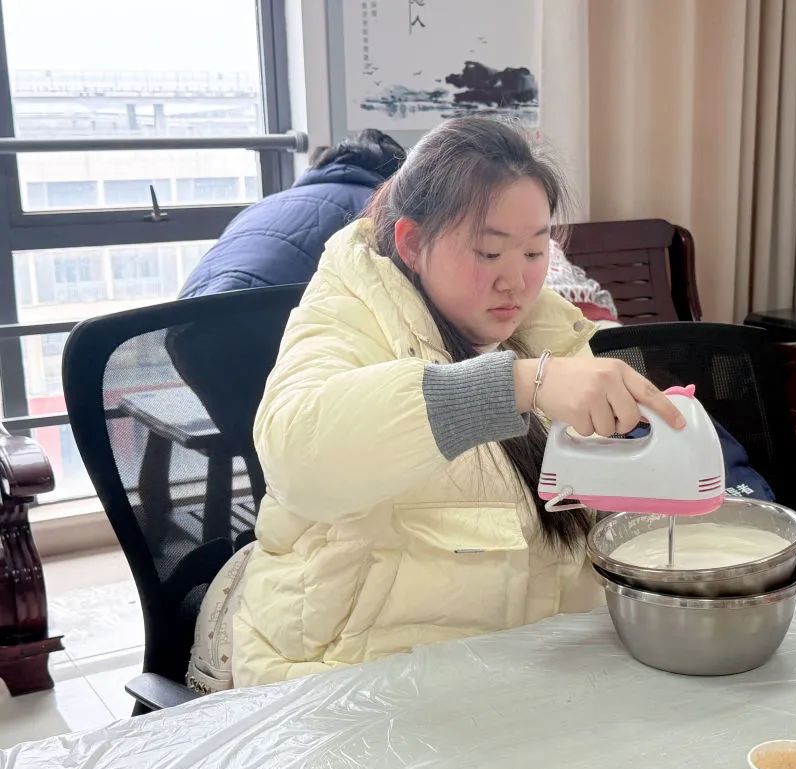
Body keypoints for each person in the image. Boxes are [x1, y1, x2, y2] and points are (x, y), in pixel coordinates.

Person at [230, 117, 687, 687]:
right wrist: (514, 385)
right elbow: (299, 458)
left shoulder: (547, 333)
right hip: (347, 680)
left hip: (512, 670)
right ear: (412, 244)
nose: (515, 282)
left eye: (534, 252)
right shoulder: (347, 314)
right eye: (488, 253)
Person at [178, 129, 405, 298]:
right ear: (397, 179)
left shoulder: (265, 204)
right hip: (264, 322)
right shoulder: (375, 208)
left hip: (182, 321)